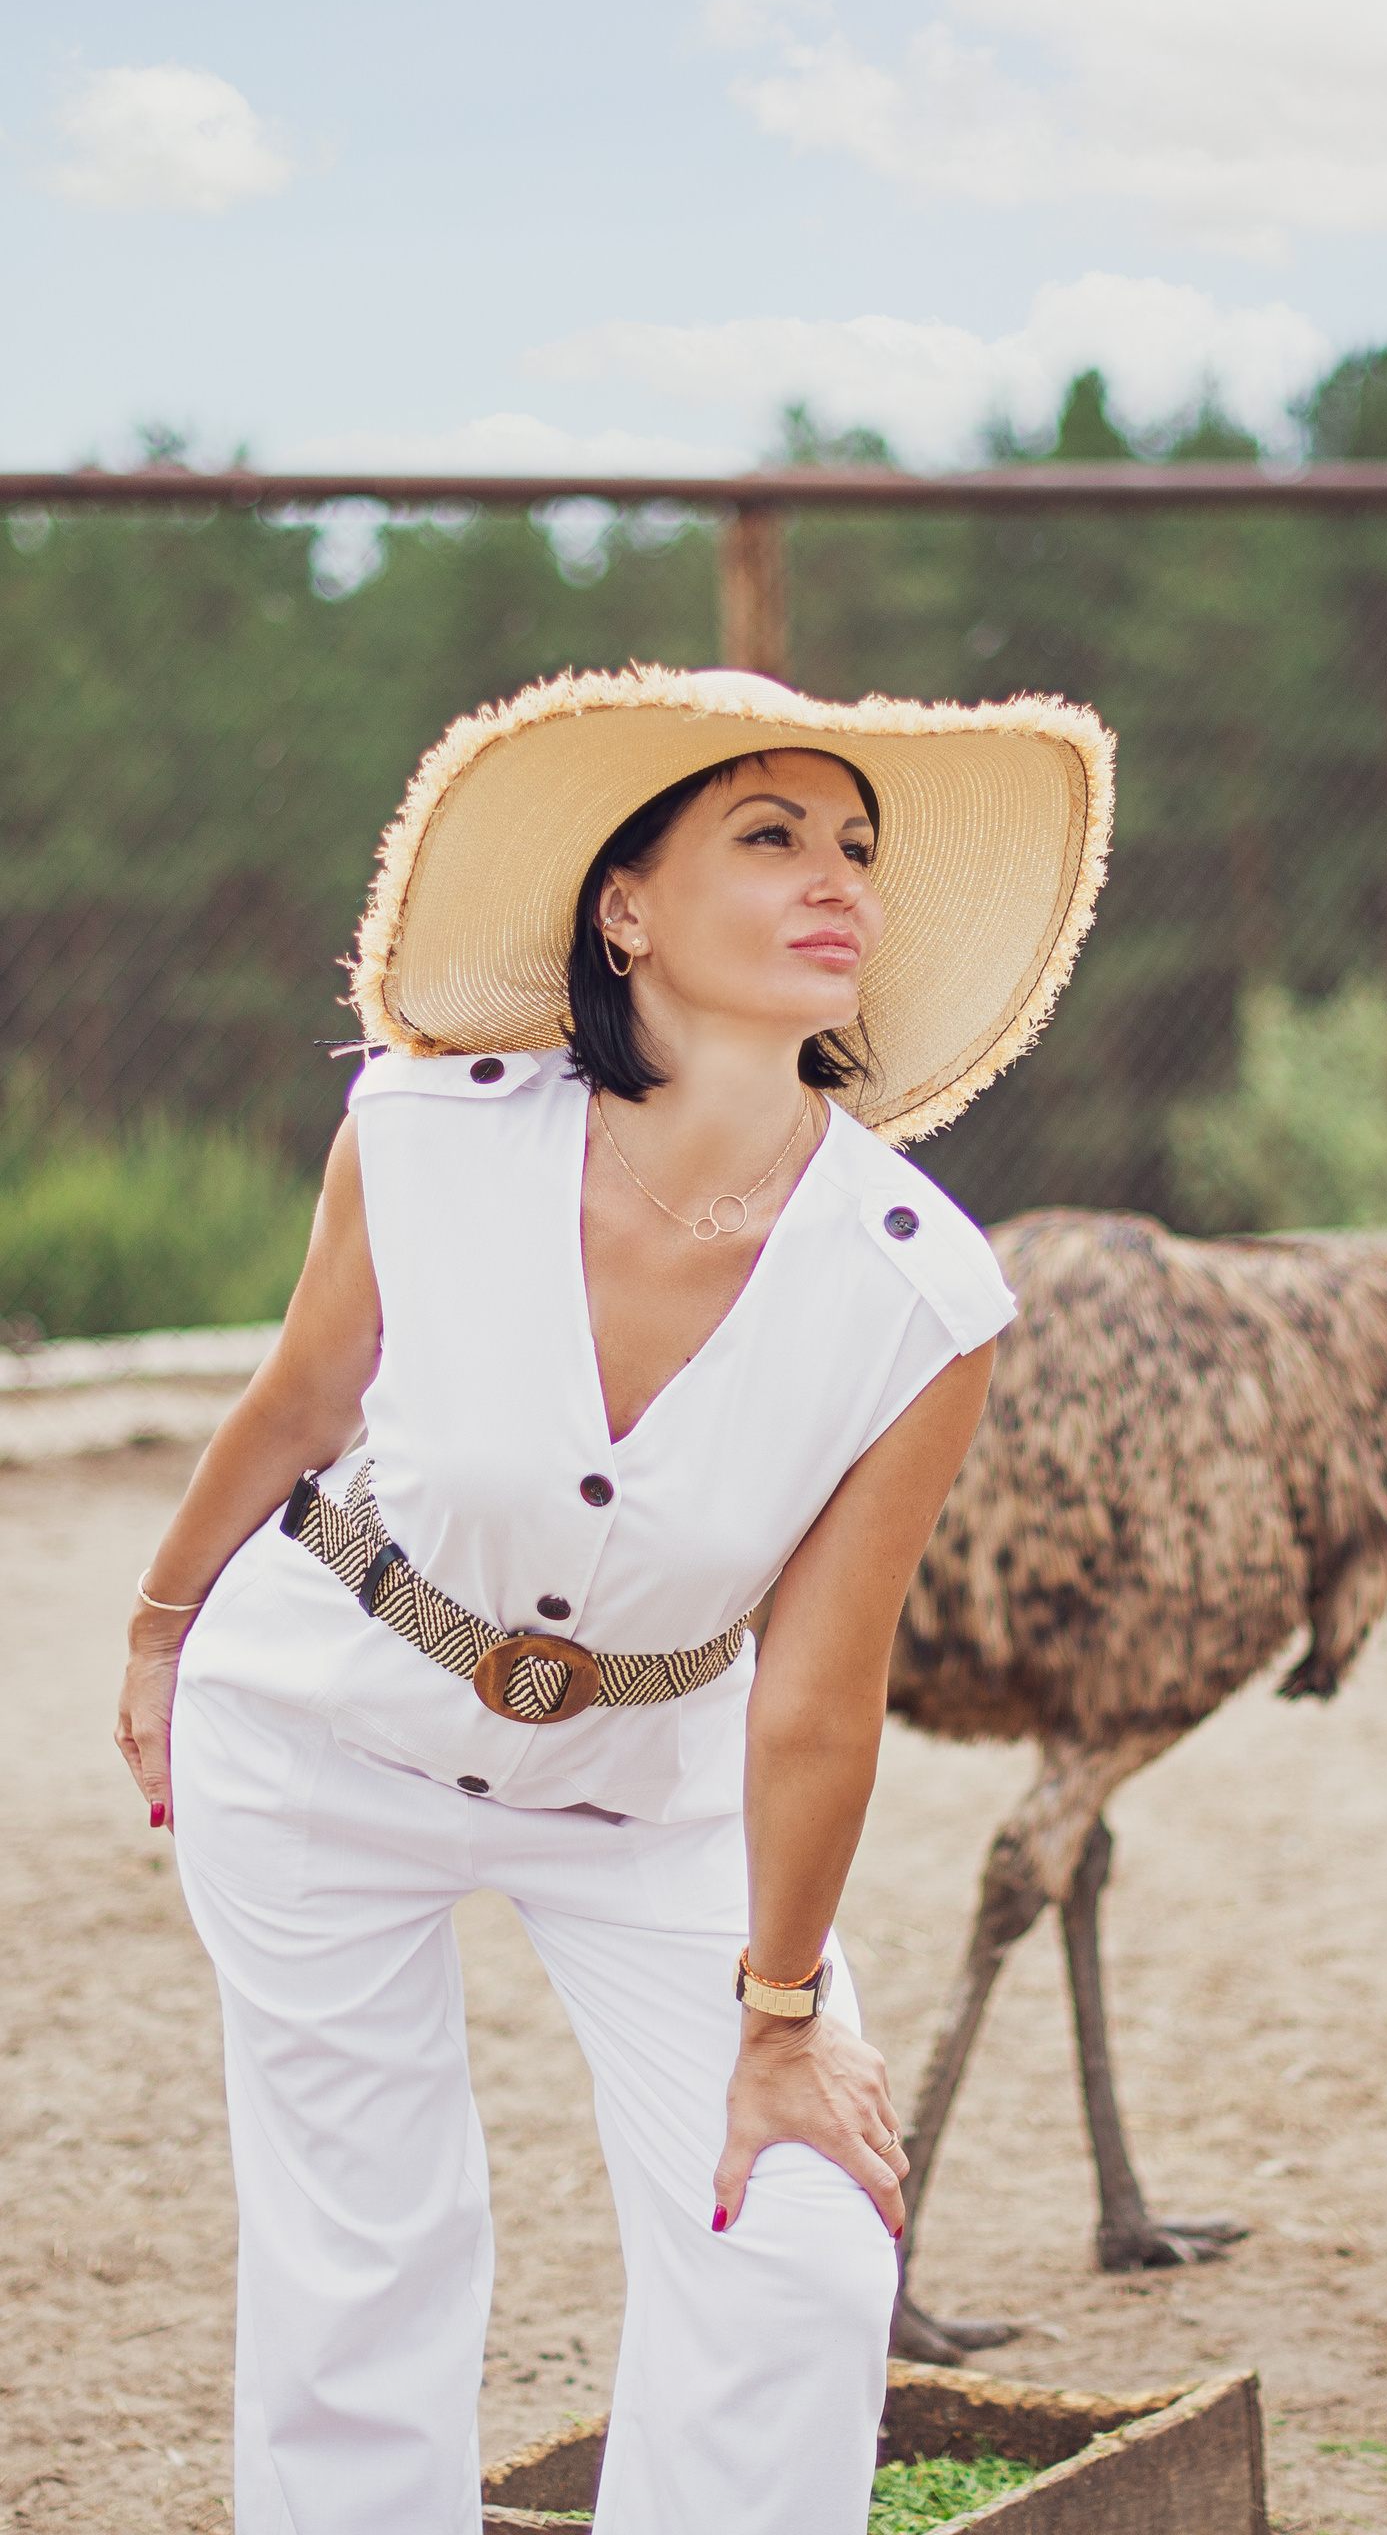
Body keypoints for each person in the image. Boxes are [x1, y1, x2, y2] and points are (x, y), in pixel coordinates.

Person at [114, 665, 1113, 2535]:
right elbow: (304, 1401)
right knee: (369, 2262)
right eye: (772, 835)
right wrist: (164, 1628)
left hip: (652, 1794)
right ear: (623, 907)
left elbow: (818, 1697)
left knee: (802, 2258)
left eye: (857, 849)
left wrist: (786, 2016)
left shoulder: (921, 1294)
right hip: (322, 1726)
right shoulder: (424, 1130)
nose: (839, 880)